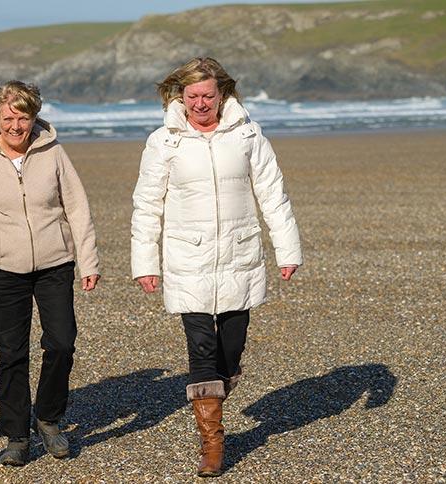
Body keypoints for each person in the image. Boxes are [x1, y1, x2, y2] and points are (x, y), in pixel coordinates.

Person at [130, 57, 302, 477]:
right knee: (202, 348)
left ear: (222, 93)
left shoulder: (247, 134)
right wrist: (144, 262)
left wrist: (288, 249)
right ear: (180, 96)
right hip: (187, 257)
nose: (201, 103)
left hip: (239, 254)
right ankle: (213, 443)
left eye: (208, 95)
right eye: (193, 96)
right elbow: (147, 205)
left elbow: (272, 193)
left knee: (231, 347)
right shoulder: (164, 141)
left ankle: (217, 389)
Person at [0, 80, 100, 465]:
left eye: (23, 117)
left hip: (55, 262)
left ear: (34, 117)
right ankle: (16, 435)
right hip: (3, 268)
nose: (15, 126)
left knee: (62, 342)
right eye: (8, 118)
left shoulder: (53, 152)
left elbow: (77, 207)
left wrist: (88, 261)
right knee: (11, 353)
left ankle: (49, 418)